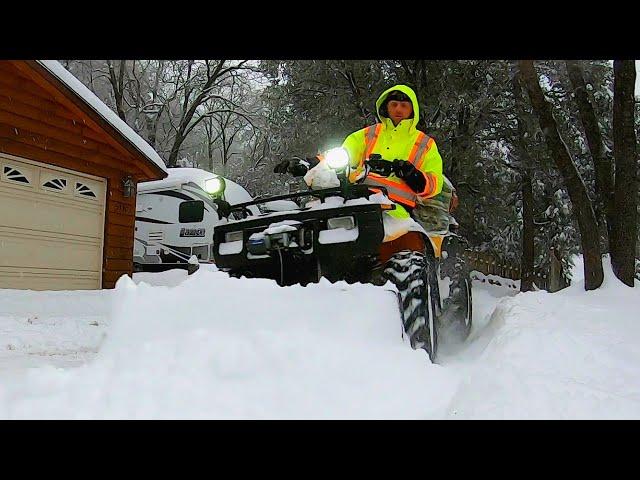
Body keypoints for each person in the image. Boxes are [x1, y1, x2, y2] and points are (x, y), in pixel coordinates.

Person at [274, 84, 444, 221]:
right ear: (386, 107)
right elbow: (341, 155)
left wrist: (412, 174)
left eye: (404, 105)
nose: (398, 109)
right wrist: (309, 165)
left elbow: (435, 183)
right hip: (357, 198)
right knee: (316, 219)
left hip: (396, 209)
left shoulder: (424, 144)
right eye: (394, 104)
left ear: (412, 110)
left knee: (399, 248)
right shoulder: (367, 134)